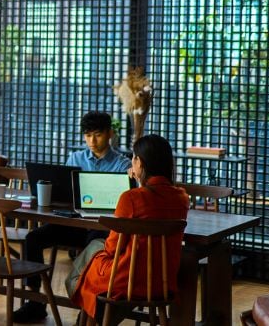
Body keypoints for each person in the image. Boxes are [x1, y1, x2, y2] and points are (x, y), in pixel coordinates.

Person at [13, 110, 132, 322]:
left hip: (102, 228)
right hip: (73, 224)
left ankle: (87, 309)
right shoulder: (75, 158)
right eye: (87, 135)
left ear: (110, 133)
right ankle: (35, 301)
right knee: (33, 238)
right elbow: (65, 194)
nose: (92, 141)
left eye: (97, 135)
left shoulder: (123, 165)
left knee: (93, 246)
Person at [65, 134, 189, 325]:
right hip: (162, 281)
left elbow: (112, 248)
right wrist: (142, 181)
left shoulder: (131, 198)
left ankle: (93, 315)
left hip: (128, 280)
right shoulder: (182, 198)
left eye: (134, 158)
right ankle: (98, 316)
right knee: (93, 250)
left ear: (139, 162)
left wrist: (139, 185)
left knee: (90, 258)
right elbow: (154, 204)